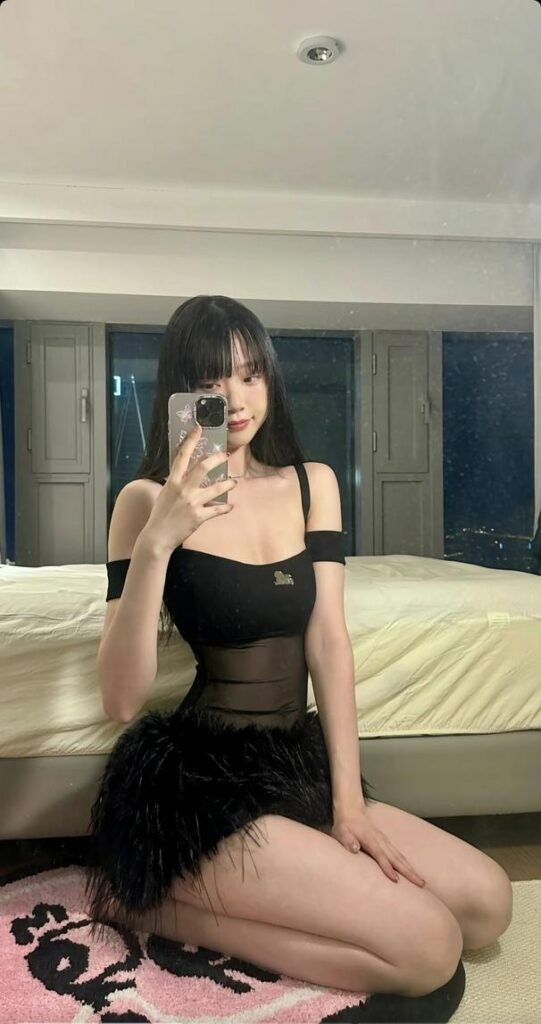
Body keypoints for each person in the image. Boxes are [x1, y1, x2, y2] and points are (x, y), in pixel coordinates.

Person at [84, 295, 509, 1004]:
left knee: (486, 905)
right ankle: (153, 901)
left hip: (292, 760)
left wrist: (349, 803)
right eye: (211, 383)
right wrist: (159, 539)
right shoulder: (143, 501)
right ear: (181, 394)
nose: (235, 399)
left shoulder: (312, 484)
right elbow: (121, 699)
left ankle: (184, 896)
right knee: (429, 949)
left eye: (250, 375)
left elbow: (328, 643)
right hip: (202, 786)